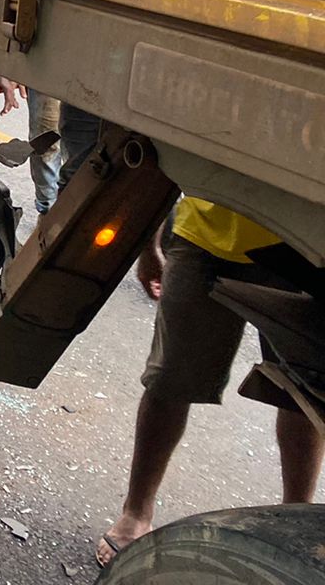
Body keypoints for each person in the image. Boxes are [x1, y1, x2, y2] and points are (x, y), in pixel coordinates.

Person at [95, 199, 324, 567]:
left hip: (307, 246)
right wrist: (147, 246)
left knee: (301, 394)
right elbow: (166, 158)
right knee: (169, 381)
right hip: (204, 238)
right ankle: (136, 511)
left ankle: (297, 527)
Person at [27, 90, 62, 213]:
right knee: (45, 143)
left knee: (84, 153)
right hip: (51, 77)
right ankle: (48, 212)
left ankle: (76, 210)